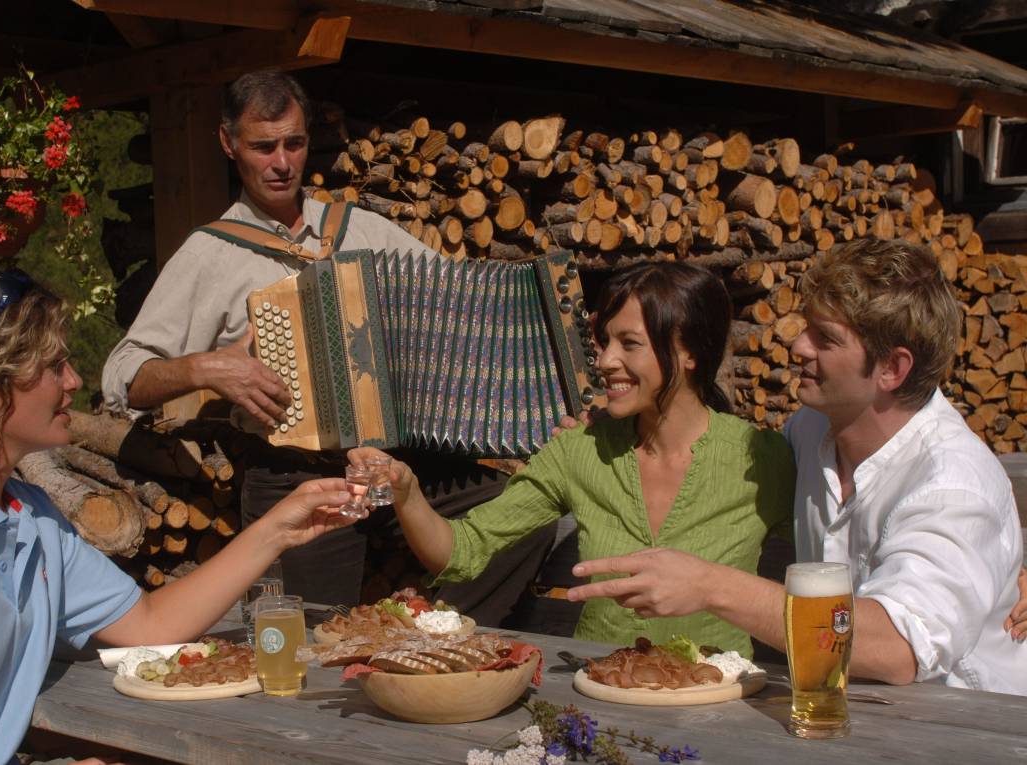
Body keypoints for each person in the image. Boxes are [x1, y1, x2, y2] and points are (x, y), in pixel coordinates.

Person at [101, 71, 554, 620]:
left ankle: (431, 634)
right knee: (307, 631)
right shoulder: (209, 253)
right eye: (263, 147)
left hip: (401, 466)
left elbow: (460, 304)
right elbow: (124, 374)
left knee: (528, 518)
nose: (282, 162)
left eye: (293, 143)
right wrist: (207, 368)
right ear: (228, 144)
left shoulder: (361, 229)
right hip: (297, 474)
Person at [0, 266, 356, 764]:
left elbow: (149, 625)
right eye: (54, 366)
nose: (73, 381)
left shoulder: (29, 516)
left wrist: (278, 528)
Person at [568, 238, 1027, 693]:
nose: (798, 344)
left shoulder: (951, 486)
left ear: (892, 368)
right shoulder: (811, 430)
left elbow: (895, 647)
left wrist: (710, 586)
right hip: (833, 705)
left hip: (961, 723)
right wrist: (610, 433)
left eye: (826, 338)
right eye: (807, 326)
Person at [350, 260, 796, 656]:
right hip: (601, 688)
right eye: (604, 341)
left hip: (717, 696)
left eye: (629, 343)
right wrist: (407, 490)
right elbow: (460, 552)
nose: (606, 360)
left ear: (690, 352)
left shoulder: (762, 460)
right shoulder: (580, 448)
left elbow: (826, 569)